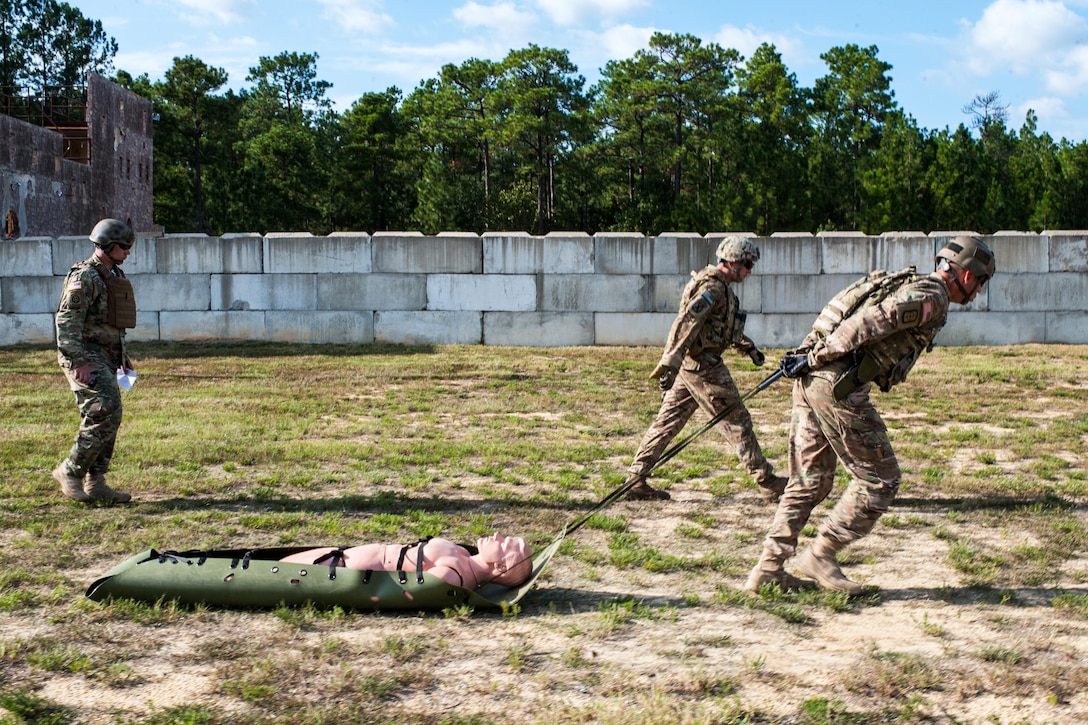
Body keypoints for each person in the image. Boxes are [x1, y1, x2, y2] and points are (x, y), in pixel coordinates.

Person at [745, 236, 997, 595]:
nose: (977, 293)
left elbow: (841, 309)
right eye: (981, 283)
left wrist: (808, 354)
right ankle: (822, 554)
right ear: (970, 276)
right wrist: (818, 356)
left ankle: (768, 568)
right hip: (837, 384)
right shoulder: (934, 297)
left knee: (809, 482)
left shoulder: (901, 280)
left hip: (814, 379)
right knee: (881, 480)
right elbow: (872, 320)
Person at [623, 235, 788, 502]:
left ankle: (636, 478)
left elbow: (721, 329)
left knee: (667, 423)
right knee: (737, 421)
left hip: (693, 367)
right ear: (733, 262)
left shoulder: (722, 288)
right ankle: (767, 482)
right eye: (747, 265)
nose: (749, 272)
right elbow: (686, 323)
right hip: (704, 367)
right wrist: (670, 363)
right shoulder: (711, 288)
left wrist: (748, 348)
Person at [52, 218, 138, 504]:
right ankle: (70, 471)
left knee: (111, 413)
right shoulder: (85, 277)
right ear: (108, 246)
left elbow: (113, 325)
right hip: (85, 355)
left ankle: (96, 481)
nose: (128, 252)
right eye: (124, 247)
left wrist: (123, 359)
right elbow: (66, 322)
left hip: (105, 356)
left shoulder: (112, 275)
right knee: (104, 410)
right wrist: (78, 361)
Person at [279, 533, 534, 590]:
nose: (498, 536)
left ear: (500, 567)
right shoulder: (463, 558)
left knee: (277, 570)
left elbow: (416, 588)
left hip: (342, 568)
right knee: (280, 561)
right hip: (342, 555)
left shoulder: (455, 575)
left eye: (504, 544)